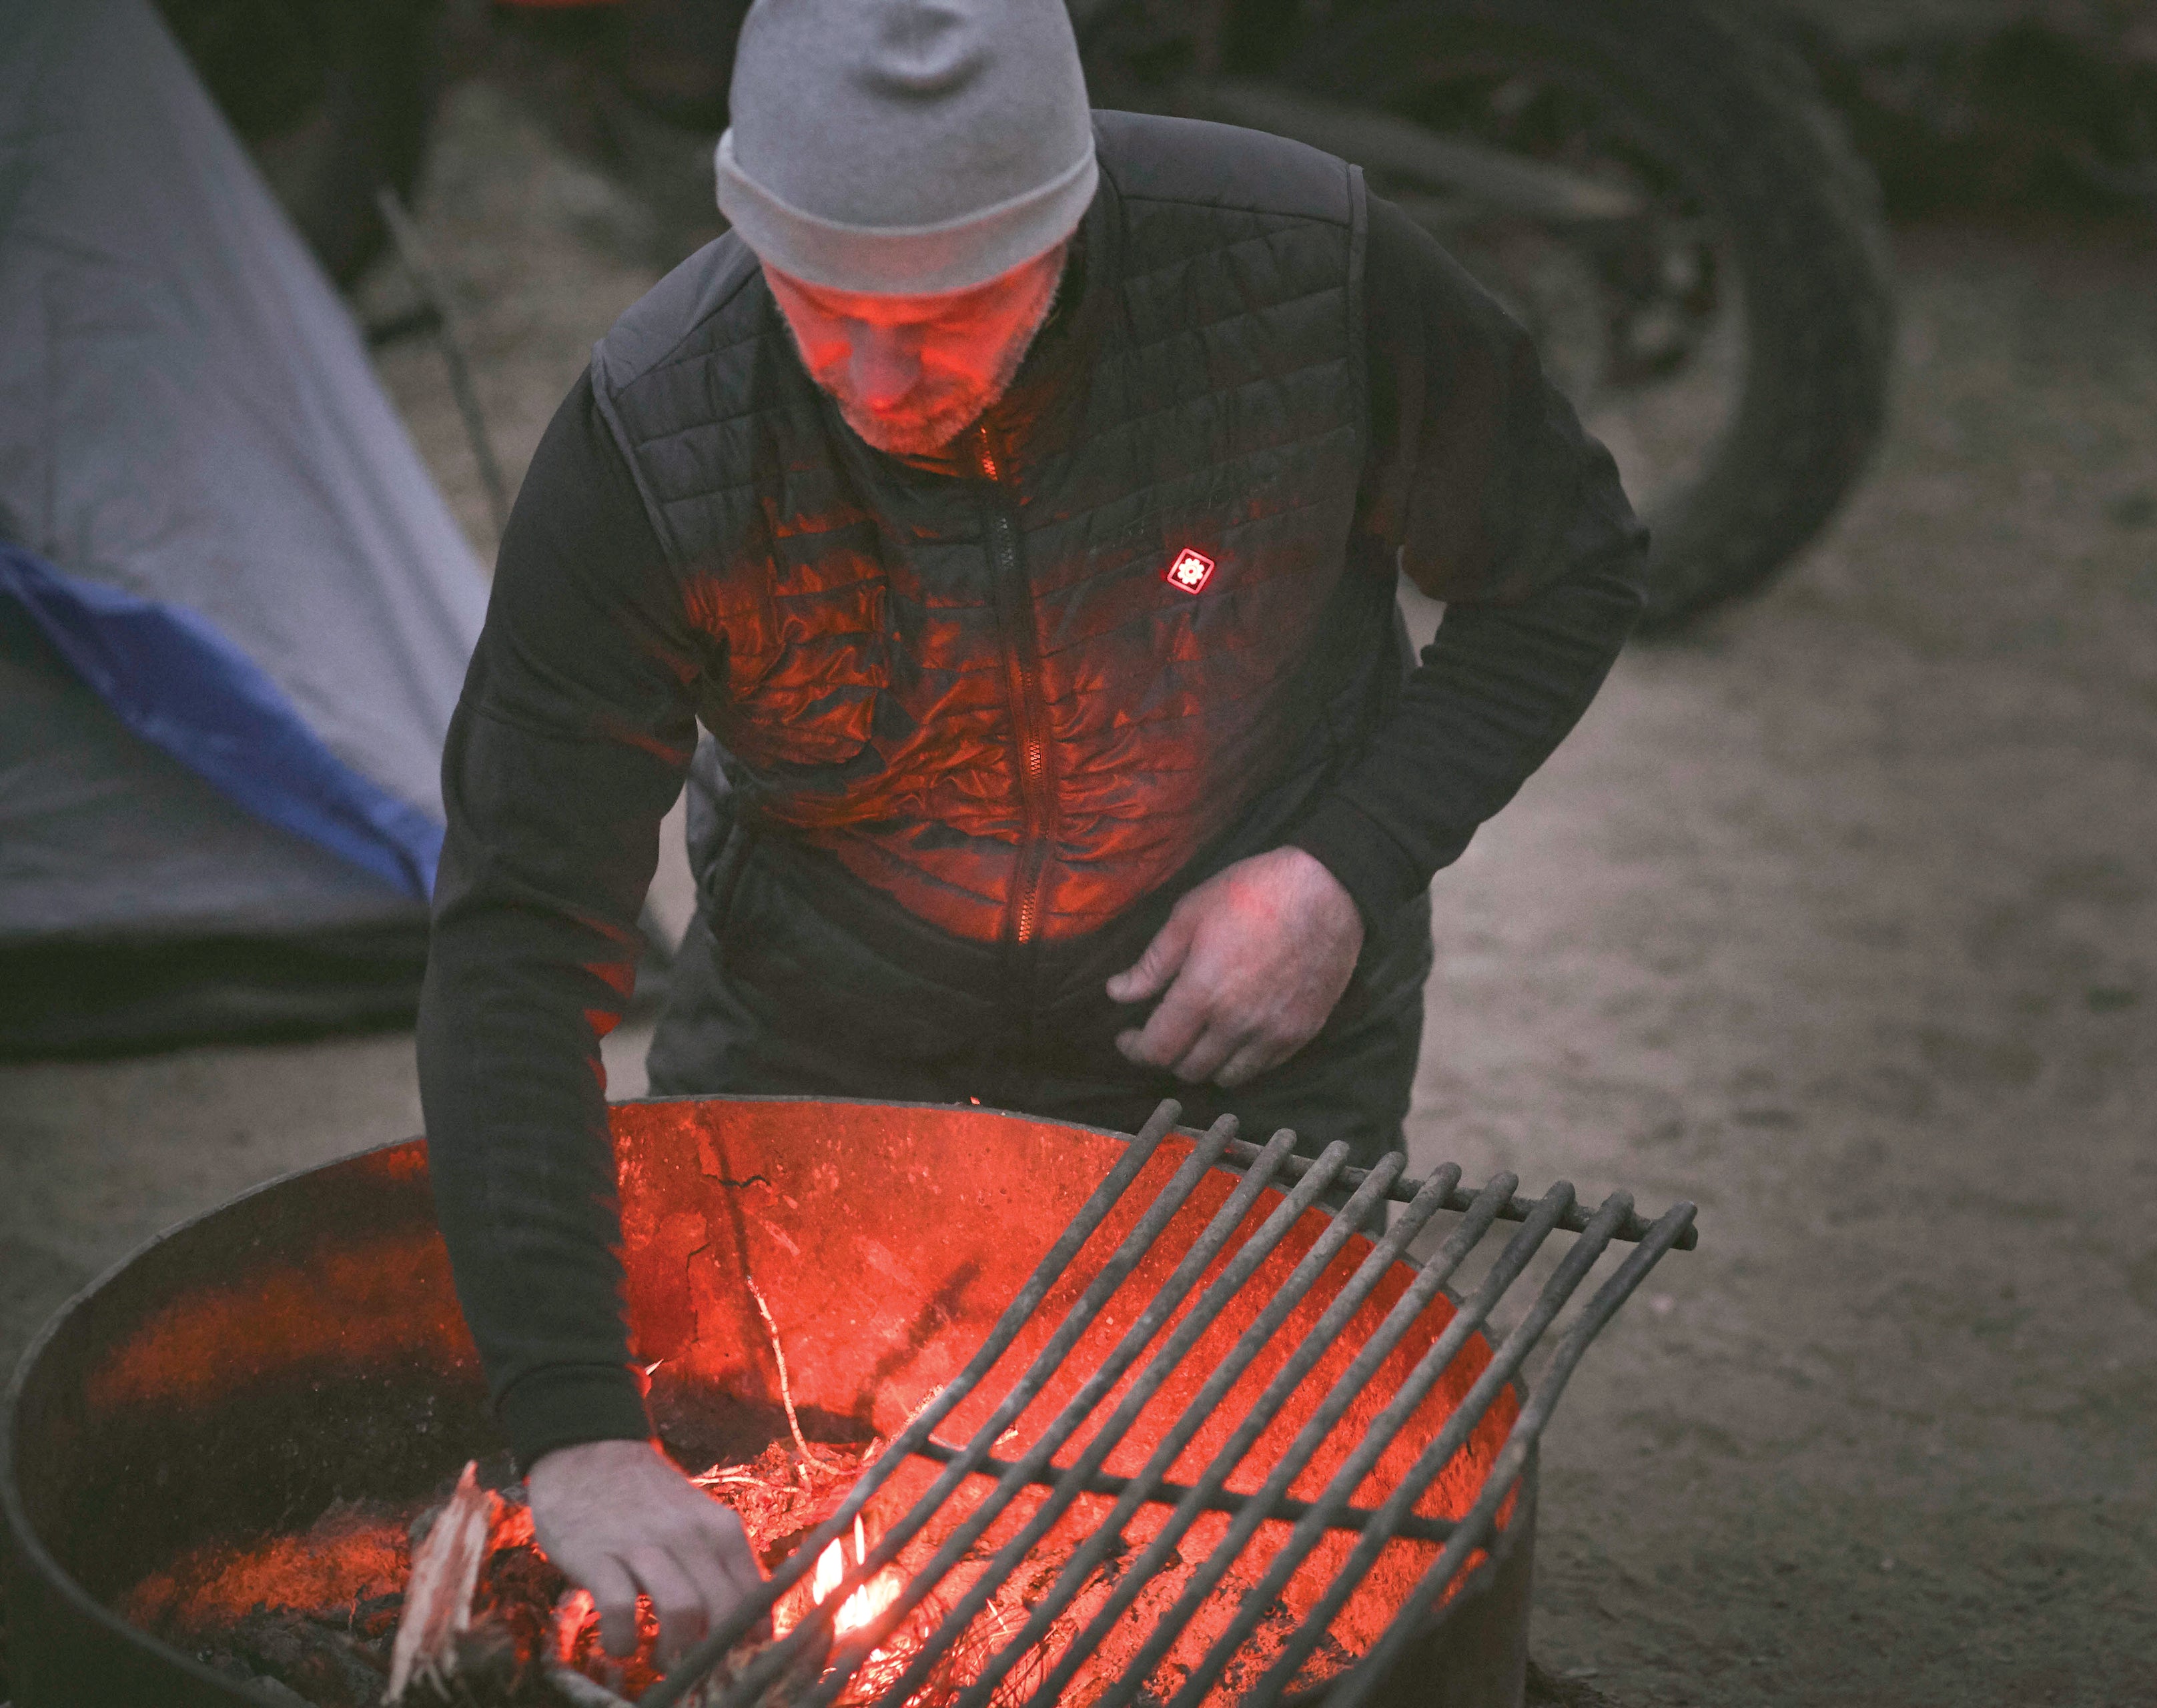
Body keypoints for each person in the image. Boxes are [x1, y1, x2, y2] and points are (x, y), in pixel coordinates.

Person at [418, 0, 1645, 1667]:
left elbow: (1564, 562)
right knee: (757, 1541)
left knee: (1221, 1578)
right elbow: (515, 931)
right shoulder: (659, 431)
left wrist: (1349, 864)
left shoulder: (1303, 274)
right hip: (819, 1035)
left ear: (1064, 232)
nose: (871, 379)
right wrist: (571, 1416)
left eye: (946, 316)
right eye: (819, 309)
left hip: (1235, 1044)